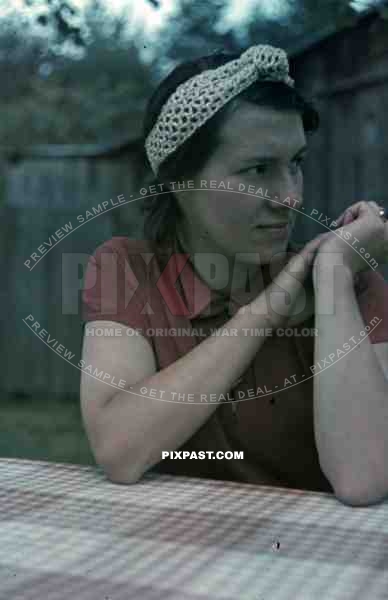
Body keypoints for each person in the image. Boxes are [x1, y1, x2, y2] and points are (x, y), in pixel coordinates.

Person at [81, 44, 388, 504]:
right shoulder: (127, 270)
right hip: (175, 556)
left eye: (296, 164)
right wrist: (269, 308)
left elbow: (364, 478)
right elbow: (120, 451)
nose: (290, 197)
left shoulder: (346, 277)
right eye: (258, 169)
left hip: (316, 563)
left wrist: (332, 278)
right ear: (181, 183)